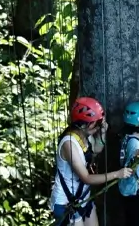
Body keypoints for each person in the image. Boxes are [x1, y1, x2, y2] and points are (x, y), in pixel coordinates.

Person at [50, 97, 133, 226]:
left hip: (83, 197)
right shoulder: (69, 143)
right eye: (96, 123)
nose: (98, 126)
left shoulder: (82, 136)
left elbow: (95, 150)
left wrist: (103, 134)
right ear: (84, 124)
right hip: (66, 202)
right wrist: (118, 174)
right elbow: (86, 177)